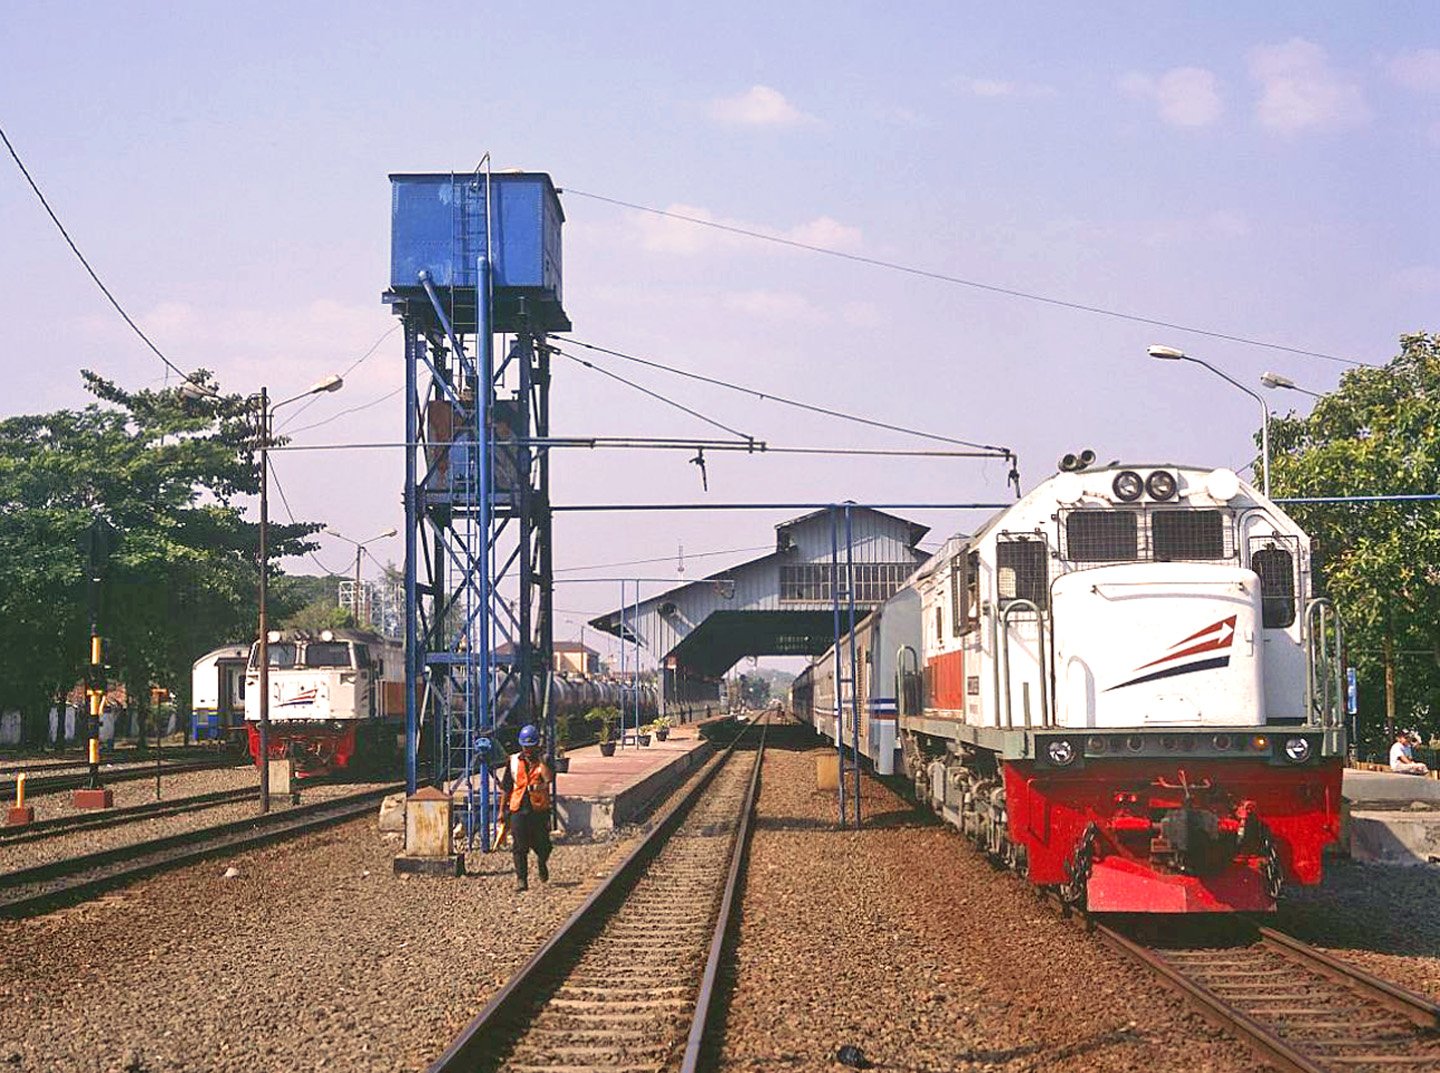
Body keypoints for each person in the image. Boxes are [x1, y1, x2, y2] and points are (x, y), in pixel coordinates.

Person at [500, 723, 553, 891]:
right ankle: (521, 880)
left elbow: (548, 779)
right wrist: (502, 810)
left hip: (539, 809)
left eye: (531, 746)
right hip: (518, 807)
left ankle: (542, 862)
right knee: (519, 846)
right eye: (526, 746)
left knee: (544, 845)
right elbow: (506, 787)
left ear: (537, 745)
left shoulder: (544, 760)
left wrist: (541, 762)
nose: (528, 750)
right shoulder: (513, 761)